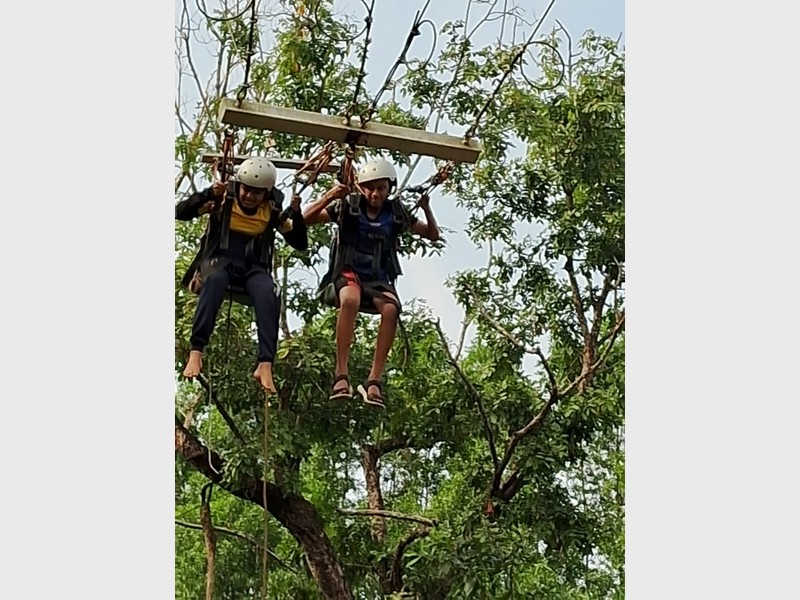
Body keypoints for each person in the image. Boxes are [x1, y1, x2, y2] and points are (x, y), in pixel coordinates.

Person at [302, 158, 440, 408]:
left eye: (381, 188)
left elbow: (432, 235)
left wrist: (426, 208)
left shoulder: (395, 212)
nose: (375, 193)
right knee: (350, 299)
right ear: (362, 187)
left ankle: (374, 380)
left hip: (377, 278)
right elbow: (305, 219)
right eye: (370, 187)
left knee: (391, 309)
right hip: (349, 272)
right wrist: (330, 196)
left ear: (389, 189)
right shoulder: (349, 207)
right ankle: (341, 374)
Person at [176, 156, 308, 393]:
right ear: (240, 186)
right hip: (220, 261)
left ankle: (265, 363)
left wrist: (296, 215)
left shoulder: (272, 210)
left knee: (269, 291)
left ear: (266, 193)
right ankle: (196, 350)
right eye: (246, 190)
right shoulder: (223, 201)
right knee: (215, 281)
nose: (249, 196)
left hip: (253, 268)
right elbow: (180, 212)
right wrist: (208, 194)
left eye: (257, 193)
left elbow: (299, 242)